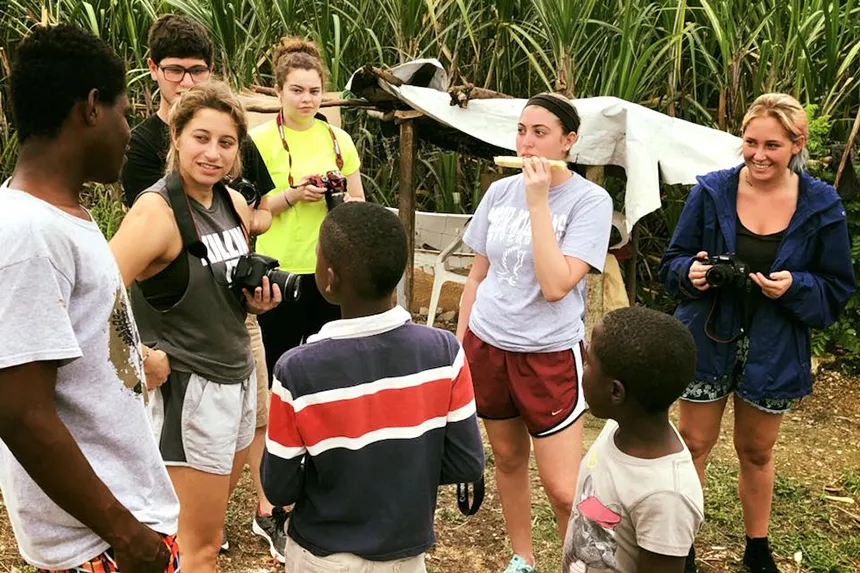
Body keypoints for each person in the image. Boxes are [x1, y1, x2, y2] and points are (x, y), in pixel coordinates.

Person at [0, 24, 180, 573]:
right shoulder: (28, 235)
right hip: (100, 546)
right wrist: (124, 533)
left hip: (124, 522)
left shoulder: (65, 219)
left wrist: (133, 362)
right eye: (126, 113)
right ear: (92, 107)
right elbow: (19, 410)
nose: (130, 133)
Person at [659, 93, 856, 573]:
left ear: (797, 144)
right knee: (694, 443)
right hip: (708, 334)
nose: (759, 154)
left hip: (775, 344)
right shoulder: (712, 191)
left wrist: (795, 286)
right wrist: (693, 273)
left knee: (756, 449)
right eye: (750, 142)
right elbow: (672, 263)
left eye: (772, 144)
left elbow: (836, 286)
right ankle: (681, 546)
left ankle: (757, 547)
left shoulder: (821, 204)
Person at [120, 14, 285, 561]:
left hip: (234, 377)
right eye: (201, 138)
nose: (213, 153)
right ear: (175, 135)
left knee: (197, 535)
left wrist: (255, 299)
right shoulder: (156, 211)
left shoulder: (231, 203)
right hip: (189, 389)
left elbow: (222, 285)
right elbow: (94, 292)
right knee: (199, 547)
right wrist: (136, 358)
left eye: (226, 143)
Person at [262, 202, 484, 573]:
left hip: (322, 556)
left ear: (329, 278)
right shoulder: (444, 352)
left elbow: (279, 488)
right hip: (407, 556)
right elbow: (466, 462)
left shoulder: (298, 371)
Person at [456, 93, 614, 573]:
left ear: (568, 141)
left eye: (540, 133)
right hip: (487, 344)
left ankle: (579, 564)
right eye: (521, 130)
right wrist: (461, 349)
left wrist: (538, 200)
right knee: (506, 459)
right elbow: (477, 276)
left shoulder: (591, 201)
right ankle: (521, 557)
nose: (526, 143)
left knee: (564, 488)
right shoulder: (497, 193)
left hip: (547, 355)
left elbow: (555, 285)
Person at [250, 37, 365, 382]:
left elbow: (359, 201)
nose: (306, 99)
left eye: (314, 92)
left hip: (329, 269)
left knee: (328, 365)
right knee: (276, 365)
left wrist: (339, 198)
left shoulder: (338, 140)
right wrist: (295, 195)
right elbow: (250, 212)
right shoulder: (258, 141)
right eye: (297, 90)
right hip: (279, 272)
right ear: (279, 91)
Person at [562, 306, 704, 573]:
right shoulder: (619, 429)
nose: (582, 368)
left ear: (615, 391)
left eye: (589, 361)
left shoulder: (667, 496)